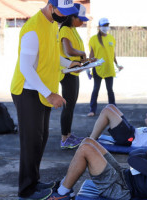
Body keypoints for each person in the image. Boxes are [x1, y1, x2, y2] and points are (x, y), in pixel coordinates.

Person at [10, 0, 79, 199]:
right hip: (27, 91)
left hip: (41, 90)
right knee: (31, 141)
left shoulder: (51, 25)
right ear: (50, 6)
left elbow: (50, 56)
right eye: (61, 11)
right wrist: (49, 94)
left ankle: (34, 182)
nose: (64, 16)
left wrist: (70, 64)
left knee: (41, 139)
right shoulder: (33, 29)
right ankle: (26, 190)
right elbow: (26, 68)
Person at [46, 132, 147, 199]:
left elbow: (133, 159)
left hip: (120, 189)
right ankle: (66, 187)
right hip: (123, 176)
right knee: (88, 141)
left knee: (85, 149)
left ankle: (63, 193)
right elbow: (134, 158)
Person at [59, 3, 89, 149]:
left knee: (71, 105)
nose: (83, 22)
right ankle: (64, 138)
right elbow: (69, 51)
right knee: (68, 106)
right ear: (72, 17)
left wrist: (88, 61)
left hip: (74, 71)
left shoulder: (73, 30)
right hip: (67, 72)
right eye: (80, 19)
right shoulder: (64, 29)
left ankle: (68, 135)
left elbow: (78, 53)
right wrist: (82, 55)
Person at [87, 18, 123, 117]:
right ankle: (92, 110)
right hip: (97, 68)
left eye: (107, 25)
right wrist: (88, 67)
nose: (105, 27)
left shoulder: (111, 38)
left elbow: (113, 54)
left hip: (109, 68)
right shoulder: (93, 39)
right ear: (99, 27)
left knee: (110, 90)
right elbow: (91, 54)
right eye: (103, 25)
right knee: (96, 89)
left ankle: (113, 109)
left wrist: (117, 64)